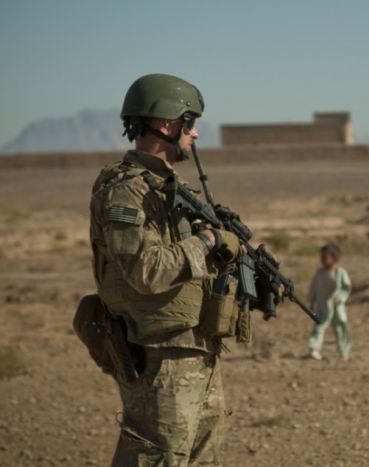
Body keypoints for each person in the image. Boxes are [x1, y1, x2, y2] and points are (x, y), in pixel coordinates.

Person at [90, 73, 240, 465]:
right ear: (165, 124)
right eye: (190, 124)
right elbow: (146, 270)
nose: (196, 134)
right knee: (156, 457)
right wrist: (207, 241)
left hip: (194, 346)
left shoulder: (169, 188)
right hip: (159, 357)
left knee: (202, 453)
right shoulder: (126, 190)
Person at [307, 243, 352, 360]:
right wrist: (312, 301)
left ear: (334, 258)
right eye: (321, 257)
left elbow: (346, 288)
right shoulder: (319, 274)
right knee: (319, 327)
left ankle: (344, 351)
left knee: (340, 329)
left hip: (337, 307)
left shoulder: (340, 273)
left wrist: (340, 298)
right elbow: (313, 288)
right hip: (323, 307)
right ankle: (314, 349)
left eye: (325, 257)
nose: (323, 260)